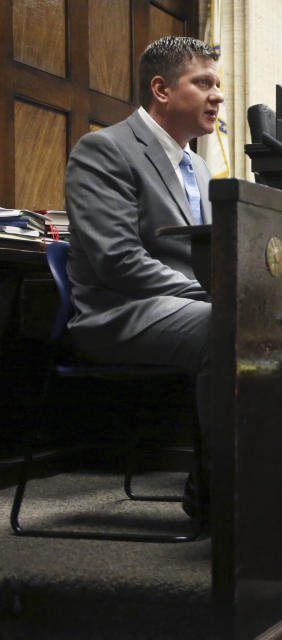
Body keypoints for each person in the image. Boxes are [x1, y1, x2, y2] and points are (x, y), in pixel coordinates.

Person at [63, 36, 223, 519]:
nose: (218, 95)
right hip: (118, 311)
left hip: (183, 307)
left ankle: (265, 479)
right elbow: (118, 259)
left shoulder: (198, 165)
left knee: (274, 327)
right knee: (230, 327)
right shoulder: (104, 150)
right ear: (161, 89)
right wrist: (214, 295)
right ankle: (225, 486)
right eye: (203, 83)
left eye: (218, 85)